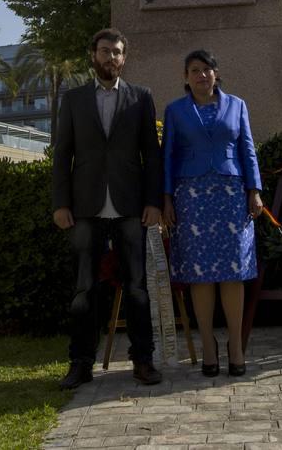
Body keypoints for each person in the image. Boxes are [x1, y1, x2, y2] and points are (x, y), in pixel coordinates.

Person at [51, 28, 164, 389]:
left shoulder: (141, 97)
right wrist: (61, 203)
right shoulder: (73, 99)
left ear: (124, 58)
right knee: (85, 290)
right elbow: (62, 155)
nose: (110, 57)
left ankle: (143, 361)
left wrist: (153, 202)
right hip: (85, 209)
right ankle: (80, 363)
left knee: (137, 289)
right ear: (93, 55)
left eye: (117, 52)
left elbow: (152, 155)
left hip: (132, 207)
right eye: (104, 51)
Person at [161, 49, 263, 377]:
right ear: (185, 77)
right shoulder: (176, 111)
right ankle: (208, 344)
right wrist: (166, 199)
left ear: (216, 73)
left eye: (207, 69)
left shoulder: (237, 105)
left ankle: (235, 345)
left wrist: (255, 190)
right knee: (199, 274)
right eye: (194, 70)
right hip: (190, 197)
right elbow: (168, 157)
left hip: (232, 196)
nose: (202, 75)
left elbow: (247, 148)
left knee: (233, 271)